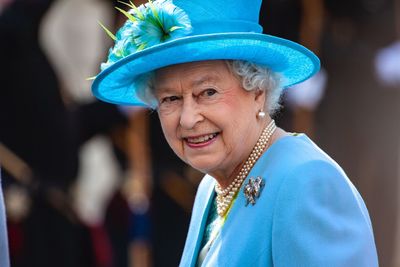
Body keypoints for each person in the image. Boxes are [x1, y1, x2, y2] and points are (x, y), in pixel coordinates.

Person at [91, 0, 379, 265]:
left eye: (208, 92)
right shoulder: (211, 186)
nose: (188, 119)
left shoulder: (306, 180)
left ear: (258, 91)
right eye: (170, 99)